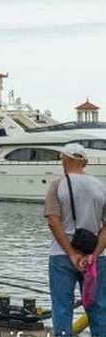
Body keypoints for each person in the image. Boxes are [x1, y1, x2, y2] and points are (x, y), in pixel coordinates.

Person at [45, 143, 106, 337]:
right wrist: (94, 255)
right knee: (99, 307)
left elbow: (54, 222)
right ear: (85, 163)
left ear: (65, 159)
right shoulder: (101, 187)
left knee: (62, 306)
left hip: (61, 255)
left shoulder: (58, 184)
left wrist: (71, 254)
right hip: (96, 257)